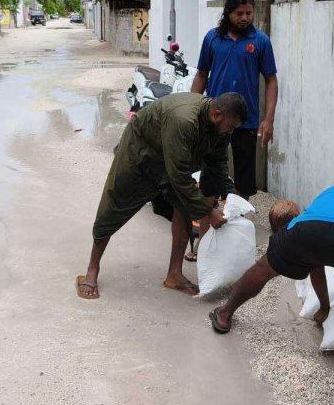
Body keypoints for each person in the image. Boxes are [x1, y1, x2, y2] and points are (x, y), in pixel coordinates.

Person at [209, 176, 334, 382]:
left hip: (306, 230)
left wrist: (325, 307)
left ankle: (223, 314)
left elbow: (317, 257)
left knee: (264, 267)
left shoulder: (329, 193)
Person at [76, 92, 247, 300]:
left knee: (184, 207)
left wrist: (230, 196)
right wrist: (209, 212)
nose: (231, 131)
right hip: (142, 150)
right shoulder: (184, 120)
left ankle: (174, 275)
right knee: (115, 204)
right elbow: (179, 177)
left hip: (177, 158)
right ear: (217, 115)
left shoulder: (221, 129)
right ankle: (92, 269)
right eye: (230, 126)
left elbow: (218, 164)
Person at [192, 0, 278, 201]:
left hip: (246, 122)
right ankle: (208, 227)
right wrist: (192, 108)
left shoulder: (261, 41)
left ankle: (235, 223)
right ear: (228, 12)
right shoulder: (212, 38)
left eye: (249, 13)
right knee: (210, 178)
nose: (244, 18)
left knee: (244, 182)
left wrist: (268, 119)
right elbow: (202, 75)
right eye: (239, 13)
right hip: (215, 118)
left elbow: (271, 81)